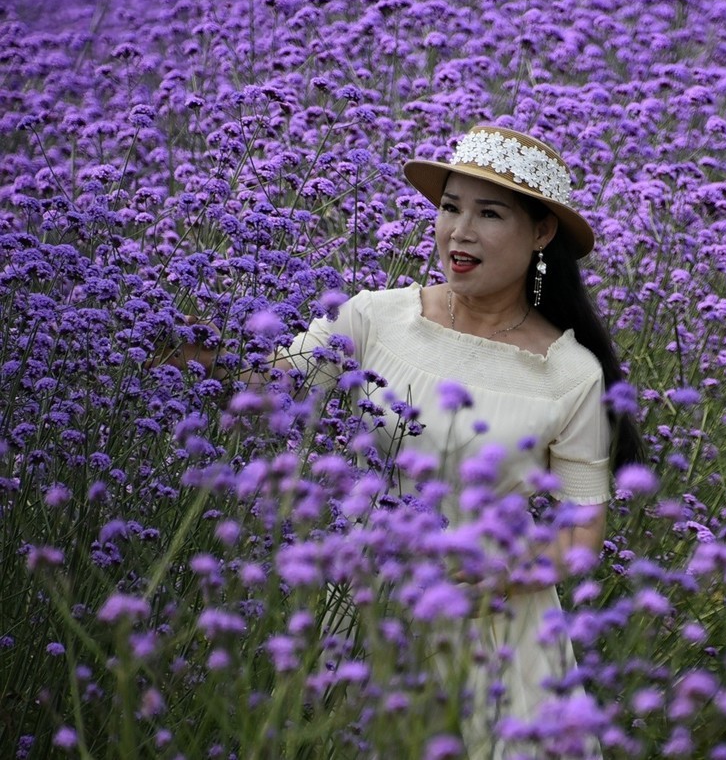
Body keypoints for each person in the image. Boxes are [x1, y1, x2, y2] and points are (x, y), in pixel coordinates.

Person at [165, 125, 642, 757]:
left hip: (489, 632)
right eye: (450, 208)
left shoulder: (571, 372)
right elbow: (271, 388)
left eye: (489, 214)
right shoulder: (373, 316)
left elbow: (582, 536)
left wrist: (495, 576)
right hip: (361, 605)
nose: (458, 232)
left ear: (542, 234)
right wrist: (201, 358)